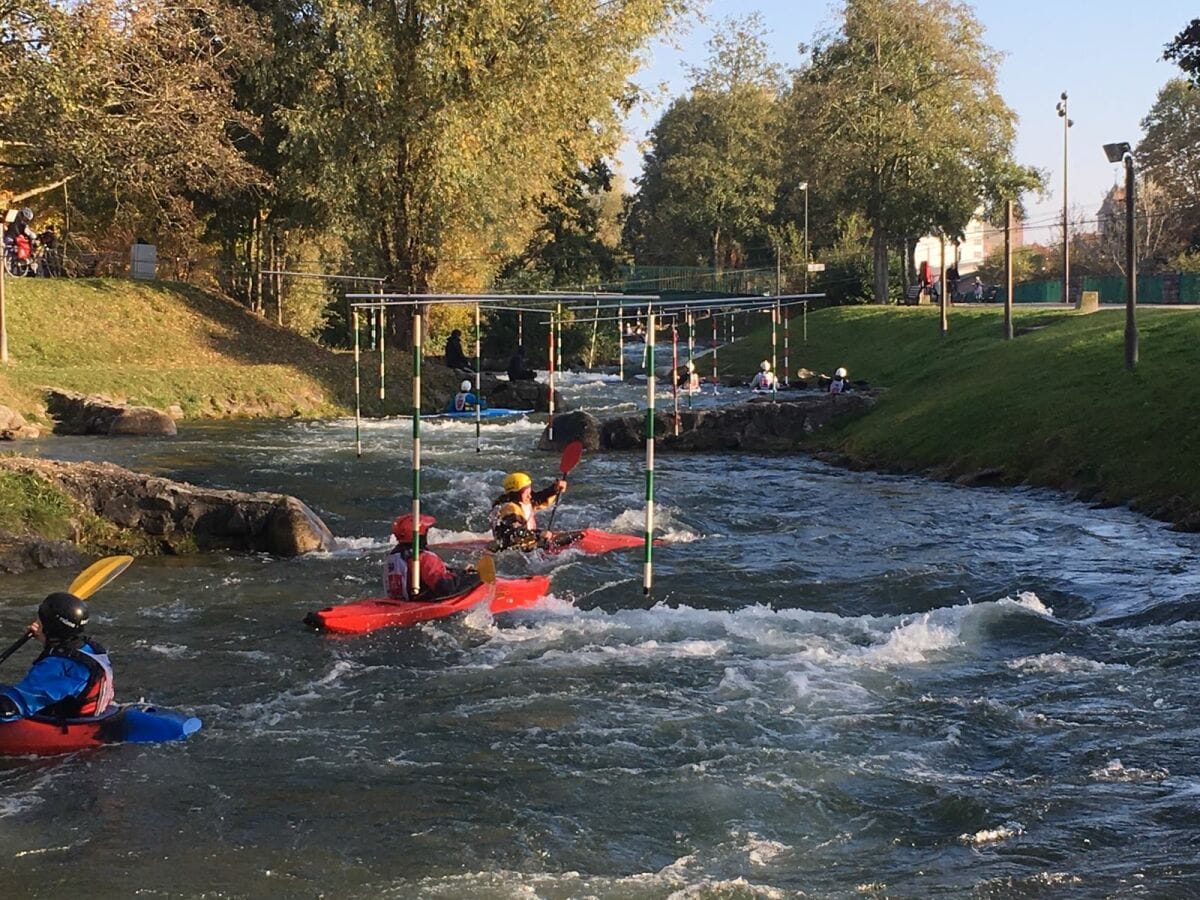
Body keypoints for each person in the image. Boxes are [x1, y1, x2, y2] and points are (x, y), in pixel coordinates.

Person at [0, 593, 115, 721]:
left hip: (62, 727)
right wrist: (45, 637)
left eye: (39, 621)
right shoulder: (92, 648)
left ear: (51, 628)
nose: (33, 625)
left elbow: (11, 709)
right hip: (91, 713)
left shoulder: (55, 666)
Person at [383, 514, 474, 601]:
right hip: (423, 603)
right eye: (426, 531)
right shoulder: (424, 558)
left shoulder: (392, 556)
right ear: (421, 534)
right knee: (477, 579)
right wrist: (471, 577)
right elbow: (445, 588)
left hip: (402, 600)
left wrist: (461, 572)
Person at [489, 472, 566, 551]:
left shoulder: (522, 500)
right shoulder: (509, 509)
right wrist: (539, 534)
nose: (530, 496)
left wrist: (555, 489)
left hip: (529, 543)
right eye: (526, 493)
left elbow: (539, 499)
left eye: (529, 492)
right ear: (515, 493)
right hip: (516, 548)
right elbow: (515, 533)